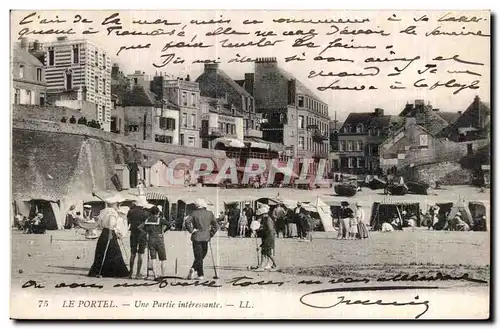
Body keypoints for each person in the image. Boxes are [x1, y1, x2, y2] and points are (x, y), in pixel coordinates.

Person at [88, 196, 129, 278]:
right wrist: (113, 233)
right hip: (110, 232)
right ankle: (112, 272)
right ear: (114, 204)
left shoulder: (103, 212)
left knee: (102, 251)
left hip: (104, 233)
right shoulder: (112, 212)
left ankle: (100, 270)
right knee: (113, 252)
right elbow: (111, 224)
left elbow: (99, 224)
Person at [185, 199, 219, 280]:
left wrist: (191, 230)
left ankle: (196, 270)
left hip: (196, 236)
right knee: (202, 255)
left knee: (198, 256)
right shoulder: (210, 213)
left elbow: (187, 222)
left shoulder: (194, 213)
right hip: (206, 237)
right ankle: (199, 273)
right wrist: (210, 234)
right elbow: (216, 226)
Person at [140, 206, 172, 280]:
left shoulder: (147, 220)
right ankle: (162, 275)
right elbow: (169, 225)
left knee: (153, 258)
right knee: (162, 259)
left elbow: (141, 227)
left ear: (151, 213)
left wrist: (146, 233)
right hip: (159, 239)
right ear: (158, 212)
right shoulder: (160, 220)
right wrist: (163, 232)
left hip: (151, 239)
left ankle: (155, 275)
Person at [127, 196, 152, 279]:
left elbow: (128, 222)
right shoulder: (146, 212)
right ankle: (138, 274)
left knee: (132, 253)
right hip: (143, 234)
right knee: (141, 254)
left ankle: (130, 273)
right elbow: (147, 224)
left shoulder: (130, 211)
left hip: (133, 232)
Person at [255, 205, 278, 271]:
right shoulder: (265, 219)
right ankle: (262, 265)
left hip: (269, 237)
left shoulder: (268, 220)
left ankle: (276, 265)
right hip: (267, 237)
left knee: (267, 252)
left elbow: (270, 230)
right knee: (264, 251)